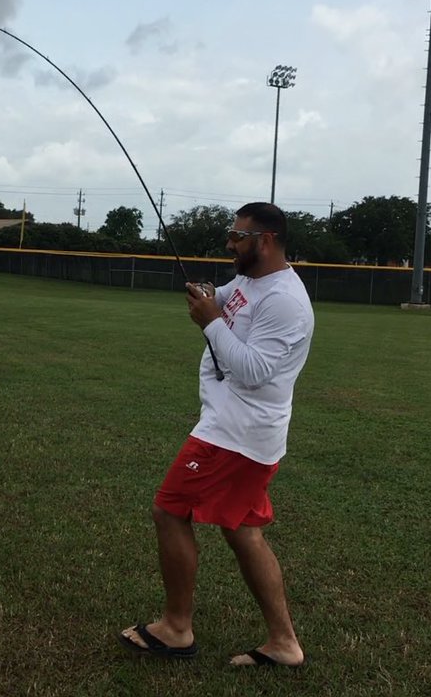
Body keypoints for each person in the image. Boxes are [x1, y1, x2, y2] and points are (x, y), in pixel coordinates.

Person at [119, 202, 314, 668]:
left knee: (169, 510)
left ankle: (176, 628)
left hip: (235, 435)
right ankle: (284, 644)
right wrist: (209, 296)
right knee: (243, 531)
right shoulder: (250, 281)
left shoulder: (284, 300)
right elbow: (224, 295)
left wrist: (209, 319)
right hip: (241, 431)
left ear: (263, 241)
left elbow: (254, 371)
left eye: (237, 236)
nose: (230, 243)